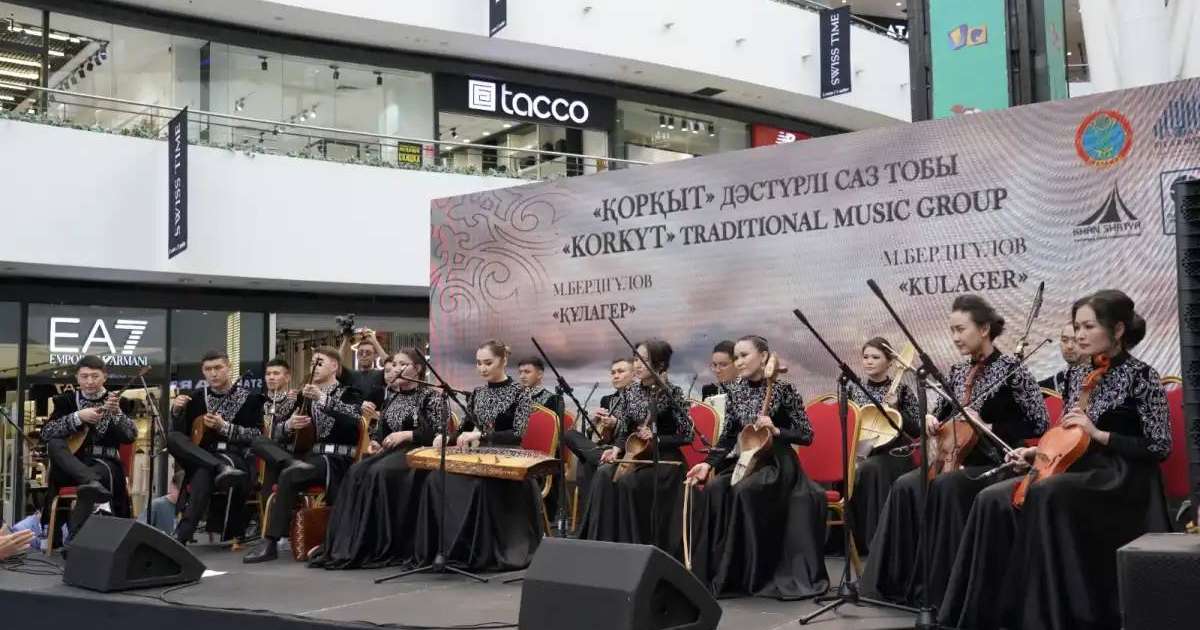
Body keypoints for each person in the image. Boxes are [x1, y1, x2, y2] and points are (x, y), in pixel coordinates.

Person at [938, 290, 1172, 630]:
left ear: (1118, 330)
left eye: (1088, 326)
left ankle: (1045, 616)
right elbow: (1067, 436)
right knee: (992, 499)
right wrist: (1038, 454)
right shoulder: (1077, 374)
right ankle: (991, 614)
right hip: (1074, 468)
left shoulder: (1143, 376)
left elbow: (1159, 446)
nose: (1079, 335)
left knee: (1046, 493)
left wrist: (1100, 434)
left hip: (1120, 479)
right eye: (1077, 326)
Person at [862, 294, 1048, 607]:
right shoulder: (958, 370)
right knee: (907, 484)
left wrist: (989, 425)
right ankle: (902, 584)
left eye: (961, 329)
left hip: (995, 461)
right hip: (954, 456)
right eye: (952, 331)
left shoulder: (1013, 370)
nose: (955, 337)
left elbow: (1039, 423)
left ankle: (946, 592)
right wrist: (933, 420)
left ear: (985, 328)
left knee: (947, 486)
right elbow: (943, 412)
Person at [684, 335, 828, 599]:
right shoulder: (734, 390)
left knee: (745, 491)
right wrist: (706, 465)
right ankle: (727, 573)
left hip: (779, 465)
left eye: (744, 356)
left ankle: (755, 574)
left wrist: (777, 429)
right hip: (748, 460)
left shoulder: (784, 390)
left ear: (763, 357)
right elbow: (728, 436)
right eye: (736, 357)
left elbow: (806, 435)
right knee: (716, 487)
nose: (738, 362)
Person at [312, 349, 448, 569]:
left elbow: (440, 431)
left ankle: (383, 543)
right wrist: (376, 441)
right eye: (394, 365)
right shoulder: (392, 395)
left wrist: (407, 434)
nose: (395, 369)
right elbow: (382, 429)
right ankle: (351, 542)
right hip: (391, 451)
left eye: (402, 364)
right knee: (356, 472)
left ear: (418, 368)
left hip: (418, 451)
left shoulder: (431, 395)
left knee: (378, 473)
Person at [413, 340, 540, 571]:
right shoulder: (477, 394)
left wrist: (482, 436)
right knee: (435, 479)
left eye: (488, 363)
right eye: (479, 363)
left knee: (478, 486)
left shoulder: (521, 393)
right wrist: (446, 438)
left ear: (503, 361)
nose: (482, 368)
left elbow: (517, 434)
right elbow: (463, 430)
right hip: (476, 456)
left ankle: (478, 552)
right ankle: (448, 550)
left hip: (507, 457)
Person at [243, 347, 364, 563]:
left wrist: (323, 399)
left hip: (336, 460)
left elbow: (356, 421)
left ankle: (270, 541)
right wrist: (290, 425)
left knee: (289, 474)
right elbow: (278, 433)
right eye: (312, 364)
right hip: (308, 457)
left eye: (320, 363)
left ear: (335, 366)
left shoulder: (350, 393)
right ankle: (290, 465)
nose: (313, 367)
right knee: (259, 441)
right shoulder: (302, 396)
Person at [578, 339, 694, 555]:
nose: (638, 365)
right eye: (636, 359)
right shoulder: (630, 391)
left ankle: (634, 551)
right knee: (603, 474)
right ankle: (601, 548)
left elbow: (688, 434)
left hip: (665, 460)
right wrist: (616, 449)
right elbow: (624, 429)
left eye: (644, 360)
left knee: (629, 482)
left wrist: (657, 437)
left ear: (659, 365)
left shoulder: (672, 392)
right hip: (634, 454)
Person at [167, 350, 262, 545]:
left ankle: (181, 535)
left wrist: (224, 427)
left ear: (229, 368)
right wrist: (176, 412)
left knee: (203, 472)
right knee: (172, 437)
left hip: (235, 458)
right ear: (203, 372)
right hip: (202, 454)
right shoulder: (195, 399)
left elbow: (257, 435)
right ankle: (217, 468)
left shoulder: (251, 399)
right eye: (208, 369)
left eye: (218, 368)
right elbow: (184, 437)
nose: (214, 373)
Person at [40, 355, 137, 541]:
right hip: (71, 466)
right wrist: (77, 417)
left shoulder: (119, 402)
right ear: (76, 378)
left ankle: (75, 539)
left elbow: (130, 436)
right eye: (84, 376)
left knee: (92, 485)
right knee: (54, 443)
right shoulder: (66, 402)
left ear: (105, 377)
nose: (89, 381)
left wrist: (117, 412)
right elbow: (46, 433)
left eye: (95, 376)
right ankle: (90, 481)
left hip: (105, 463)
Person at [846, 337, 921, 553]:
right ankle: (853, 543)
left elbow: (916, 430)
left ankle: (878, 542)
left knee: (871, 468)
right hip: (861, 450)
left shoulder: (903, 391)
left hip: (894, 454)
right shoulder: (854, 388)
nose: (868, 361)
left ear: (890, 362)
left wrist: (896, 407)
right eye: (866, 357)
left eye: (875, 357)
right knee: (850, 466)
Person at [563, 357, 634, 522]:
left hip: (627, 451)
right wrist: (594, 422)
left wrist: (616, 423)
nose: (615, 376)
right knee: (569, 435)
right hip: (605, 447)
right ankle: (599, 457)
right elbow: (601, 436)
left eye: (621, 371)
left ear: (634, 375)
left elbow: (639, 430)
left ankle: (590, 521)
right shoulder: (607, 400)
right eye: (613, 373)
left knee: (587, 463)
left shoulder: (640, 399)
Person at [257, 358, 299, 507]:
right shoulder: (257, 401)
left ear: (287, 377)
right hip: (259, 455)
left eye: (276, 373)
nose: (271, 377)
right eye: (268, 374)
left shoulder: (297, 401)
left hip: (288, 453)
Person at [1040, 321, 1089, 397]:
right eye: (1065, 340)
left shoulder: (1099, 378)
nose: (1069, 346)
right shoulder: (1057, 380)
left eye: (1075, 340)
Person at [140, 468, 185, 535]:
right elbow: (140, 529)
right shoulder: (156, 505)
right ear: (172, 485)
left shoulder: (187, 507)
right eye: (179, 491)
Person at [341, 328, 386, 394]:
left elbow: (389, 363)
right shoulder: (350, 374)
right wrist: (345, 340)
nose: (364, 355)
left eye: (368, 353)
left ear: (375, 356)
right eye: (360, 353)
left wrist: (374, 342)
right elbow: (335, 363)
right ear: (357, 355)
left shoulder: (380, 374)